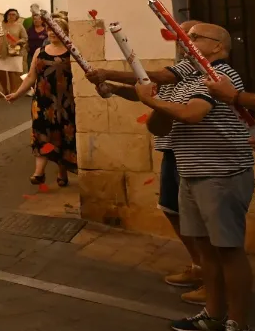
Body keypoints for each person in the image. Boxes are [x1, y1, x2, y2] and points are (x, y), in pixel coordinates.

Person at [134, 24, 255, 331]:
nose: (187, 43)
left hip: (221, 174)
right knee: (205, 250)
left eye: (196, 38)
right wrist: (151, 103)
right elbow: (164, 119)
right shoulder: (188, 77)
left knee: (229, 250)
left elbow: (193, 114)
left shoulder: (220, 73)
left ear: (217, 46)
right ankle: (214, 315)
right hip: (192, 172)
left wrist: (153, 101)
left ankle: (240, 328)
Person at [86, 20, 204, 296]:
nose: (183, 40)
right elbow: (147, 92)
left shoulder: (199, 67)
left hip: (195, 153)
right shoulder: (181, 64)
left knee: (200, 219)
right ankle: (199, 266)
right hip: (172, 148)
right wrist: (113, 87)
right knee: (172, 209)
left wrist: (106, 72)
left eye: (191, 36)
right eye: (181, 35)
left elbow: (154, 79)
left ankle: (214, 283)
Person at [7, 16, 77, 187]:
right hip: (43, 102)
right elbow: (31, 76)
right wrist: (17, 94)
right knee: (41, 135)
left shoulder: (72, 51)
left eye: (57, 29)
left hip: (65, 103)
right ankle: (39, 173)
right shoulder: (40, 51)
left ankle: (62, 172)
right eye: (50, 29)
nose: (52, 33)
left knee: (62, 136)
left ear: (65, 32)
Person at [0, 9, 28, 97]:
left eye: (13, 14)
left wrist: (17, 42)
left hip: (15, 52)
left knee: (12, 72)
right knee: (0, 71)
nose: (11, 16)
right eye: (9, 14)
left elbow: (25, 38)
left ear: (17, 16)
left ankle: (12, 91)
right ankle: (5, 90)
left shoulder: (20, 26)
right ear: (6, 15)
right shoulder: (1, 25)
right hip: (2, 52)